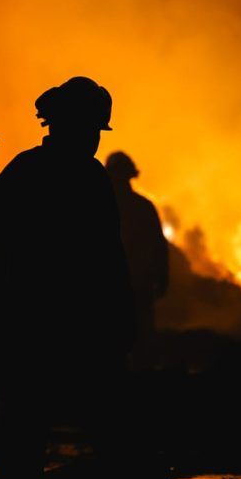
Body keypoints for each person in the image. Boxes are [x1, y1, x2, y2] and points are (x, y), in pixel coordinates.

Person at [0, 77, 134, 479]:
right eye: (94, 128)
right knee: (102, 432)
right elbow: (106, 258)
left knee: (23, 437)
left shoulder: (21, 172)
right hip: (71, 330)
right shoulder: (86, 178)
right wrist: (120, 320)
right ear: (74, 126)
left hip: (36, 330)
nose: (97, 138)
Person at [104, 151, 169, 367]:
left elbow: (157, 245)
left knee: (132, 340)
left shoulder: (103, 205)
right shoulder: (142, 207)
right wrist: (162, 276)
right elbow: (159, 246)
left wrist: (161, 275)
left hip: (131, 285)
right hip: (126, 285)